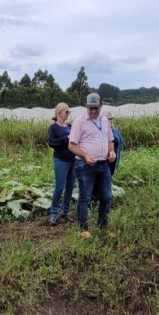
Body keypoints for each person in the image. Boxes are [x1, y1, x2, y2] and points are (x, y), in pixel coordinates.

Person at [69, 93, 116, 237]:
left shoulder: (105, 121)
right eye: (91, 108)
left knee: (107, 197)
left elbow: (109, 140)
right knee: (85, 197)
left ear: (101, 106)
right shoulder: (79, 122)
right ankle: (83, 229)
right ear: (86, 106)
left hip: (103, 165)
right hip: (85, 165)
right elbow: (71, 145)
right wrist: (84, 156)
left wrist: (112, 152)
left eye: (96, 108)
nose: (94, 111)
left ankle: (102, 226)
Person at [47, 102, 75, 225]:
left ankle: (65, 211)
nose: (68, 114)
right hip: (61, 161)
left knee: (70, 187)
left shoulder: (70, 126)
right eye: (66, 112)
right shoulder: (53, 128)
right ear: (59, 112)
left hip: (73, 160)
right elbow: (51, 142)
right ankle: (53, 213)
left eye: (69, 112)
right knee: (59, 187)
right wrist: (66, 139)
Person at [105, 112, 125, 176]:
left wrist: (117, 151)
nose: (110, 120)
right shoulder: (101, 131)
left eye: (111, 119)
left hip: (113, 159)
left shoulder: (115, 131)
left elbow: (121, 142)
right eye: (108, 119)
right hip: (104, 160)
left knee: (110, 175)